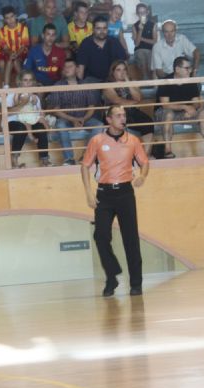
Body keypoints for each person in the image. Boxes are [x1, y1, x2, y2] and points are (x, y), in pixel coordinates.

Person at [81, 104, 149, 297]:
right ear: (109, 119)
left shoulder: (133, 140)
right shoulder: (97, 140)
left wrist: (142, 175)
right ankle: (112, 276)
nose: (122, 118)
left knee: (131, 239)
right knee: (100, 236)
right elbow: (85, 166)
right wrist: (88, 193)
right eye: (118, 115)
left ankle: (136, 284)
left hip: (126, 192)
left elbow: (144, 162)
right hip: (104, 193)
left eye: (124, 115)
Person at [155, 56, 204, 157]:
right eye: (187, 68)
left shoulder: (191, 81)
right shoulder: (166, 81)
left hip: (184, 112)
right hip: (165, 112)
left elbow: (196, 102)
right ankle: (167, 151)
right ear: (177, 69)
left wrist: (192, 109)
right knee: (168, 114)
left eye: (190, 68)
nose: (190, 71)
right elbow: (165, 105)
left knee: (203, 113)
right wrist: (185, 107)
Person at [46, 58, 104, 165]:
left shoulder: (85, 85)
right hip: (66, 119)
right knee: (60, 124)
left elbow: (91, 106)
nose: (67, 69)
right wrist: (73, 120)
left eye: (70, 66)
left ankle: (86, 157)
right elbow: (56, 110)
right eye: (65, 67)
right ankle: (69, 159)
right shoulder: (57, 86)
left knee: (99, 125)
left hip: (84, 118)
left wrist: (83, 119)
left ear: (77, 69)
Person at [103, 60, 155, 155]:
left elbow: (138, 98)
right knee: (121, 123)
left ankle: (145, 155)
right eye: (118, 70)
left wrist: (127, 82)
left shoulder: (131, 82)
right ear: (113, 72)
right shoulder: (107, 84)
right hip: (114, 112)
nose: (122, 72)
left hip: (131, 111)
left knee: (148, 122)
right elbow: (117, 100)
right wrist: (133, 103)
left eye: (124, 70)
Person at [6, 70, 53, 168]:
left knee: (40, 128)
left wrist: (42, 116)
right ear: (20, 82)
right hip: (13, 121)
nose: (28, 83)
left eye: (30, 80)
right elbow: (7, 112)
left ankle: (44, 159)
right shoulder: (12, 94)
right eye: (25, 80)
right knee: (21, 128)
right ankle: (14, 161)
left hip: (30, 120)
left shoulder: (35, 96)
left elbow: (38, 112)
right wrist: (22, 103)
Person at [76, 15, 127, 82]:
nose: (102, 31)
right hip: (91, 81)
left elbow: (124, 63)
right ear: (93, 29)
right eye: (98, 28)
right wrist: (80, 86)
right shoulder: (86, 44)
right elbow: (81, 68)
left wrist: (127, 83)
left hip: (112, 80)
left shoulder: (114, 42)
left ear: (107, 29)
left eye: (104, 28)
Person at [0, 5, 30, 87]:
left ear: (16, 16)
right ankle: (8, 86)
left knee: (14, 60)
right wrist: (11, 53)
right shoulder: (1, 31)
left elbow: (23, 46)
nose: (10, 20)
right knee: (11, 60)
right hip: (8, 54)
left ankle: (10, 85)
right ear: (4, 20)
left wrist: (16, 54)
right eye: (7, 18)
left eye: (12, 16)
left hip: (22, 54)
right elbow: (5, 48)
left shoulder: (23, 29)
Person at [132, 2, 157, 80]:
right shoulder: (135, 26)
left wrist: (141, 38)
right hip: (139, 49)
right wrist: (140, 30)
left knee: (151, 64)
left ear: (147, 12)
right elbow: (136, 44)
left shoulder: (153, 25)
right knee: (141, 56)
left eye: (144, 12)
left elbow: (154, 41)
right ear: (137, 14)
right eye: (140, 13)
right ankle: (145, 79)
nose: (142, 14)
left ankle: (151, 80)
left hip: (151, 49)